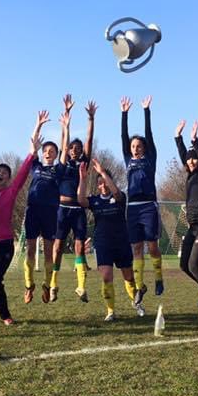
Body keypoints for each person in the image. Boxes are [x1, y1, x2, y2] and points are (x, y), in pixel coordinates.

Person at [0, 111, 46, 324]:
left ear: (8, 179)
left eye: (4, 173)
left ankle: (6, 316)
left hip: (4, 245)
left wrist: (34, 145)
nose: (0, 174)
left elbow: (25, 169)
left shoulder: (11, 191)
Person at [77, 158, 140, 320]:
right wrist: (83, 179)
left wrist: (103, 173)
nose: (103, 185)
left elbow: (117, 194)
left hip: (121, 242)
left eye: (104, 182)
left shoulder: (120, 197)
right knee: (106, 277)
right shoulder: (95, 201)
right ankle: (110, 311)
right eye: (99, 183)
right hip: (103, 243)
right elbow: (81, 200)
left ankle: (136, 302)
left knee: (129, 277)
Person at [50, 95, 96, 303]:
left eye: (78, 149)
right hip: (62, 209)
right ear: (67, 151)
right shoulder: (63, 163)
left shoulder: (83, 163)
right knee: (58, 247)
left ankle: (81, 287)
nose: (75, 150)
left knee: (79, 248)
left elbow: (89, 140)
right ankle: (53, 284)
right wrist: (67, 114)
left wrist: (91, 119)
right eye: (72, 148)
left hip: (78, 210)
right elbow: (64, 138)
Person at [121, 95, 163, 310]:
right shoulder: (128, 159)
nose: (136, 148)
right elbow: (123, 136)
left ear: (144, 148)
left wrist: (146, 111)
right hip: (133, 208)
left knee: (152, 246)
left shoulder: (150, 158)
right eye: (133, 146)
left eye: (139, 146)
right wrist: (124, 114)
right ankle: (139, 287)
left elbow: (149, 134)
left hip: (149, 206)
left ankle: (158, 277)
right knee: (136, 248)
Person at [174, 119, 198, 307]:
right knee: (184, 265)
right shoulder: (190, 176)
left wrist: (195, 141)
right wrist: (178, 137)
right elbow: (185, 156)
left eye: (194, 158)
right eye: (189, 159)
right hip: (193, 227)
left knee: (193, 265)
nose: (191, 161)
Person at [22, 121, 63, 305]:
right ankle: (29, 285)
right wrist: (38, 124)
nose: (48, 153)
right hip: (33, 210)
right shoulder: (36, 166)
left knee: (48, 252)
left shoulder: (58, 170)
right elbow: (33, 145)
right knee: (30, 249)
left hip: (50, 213)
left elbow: (64, 146)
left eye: (51, 151)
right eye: (45, 150)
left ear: (56, 155)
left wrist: (65, 126)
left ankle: (47, 284)